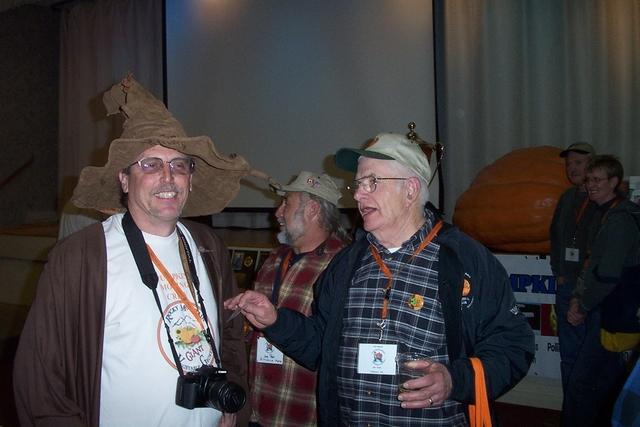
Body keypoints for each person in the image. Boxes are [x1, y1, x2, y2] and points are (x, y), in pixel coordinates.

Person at [226, 131, 535, 426]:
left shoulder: (465, 260)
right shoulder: (346, 265)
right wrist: (276, 320)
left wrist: (455, 379)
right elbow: (323, 347)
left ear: (410, 190)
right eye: (358, 183)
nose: (358, 194)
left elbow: (513, 346)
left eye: (372, 182)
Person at [13, 76, 257, 427]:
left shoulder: (208, 246)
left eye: (179, 165)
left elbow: (230, 334)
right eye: (150, 164)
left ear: (190, 179)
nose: (168, 177)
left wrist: (230, 397)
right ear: (124, 179)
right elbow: (41, 379)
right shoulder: (82, 257)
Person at [248, 171, 350, 427]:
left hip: (305, 415)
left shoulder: (344, 266)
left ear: (312, 209)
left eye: (286, 203)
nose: (278, 212)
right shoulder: (274, 259)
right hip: (258, 411)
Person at [565, 154, 640, 427]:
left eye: (597, 180)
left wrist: (582, 305)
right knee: (600, 384)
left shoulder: (620, 220)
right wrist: (579, 298)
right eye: (589, 180)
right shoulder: (603, 214)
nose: (591, 185)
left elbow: (607, 275)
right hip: (605, 309)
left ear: (614, 182)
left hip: (612, 314)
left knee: (584, 383)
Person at [548, 142, 596, 400]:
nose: (572, 168)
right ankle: (572, 410)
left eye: (578, 163)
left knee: (593, 354)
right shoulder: (567, 198)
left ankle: (591, 409)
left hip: (592, 288)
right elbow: (555, 236)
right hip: (566, 284)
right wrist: (558, 271)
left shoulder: (601, 198)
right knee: (569, 353)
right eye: (569, 164)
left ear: (592, 164)